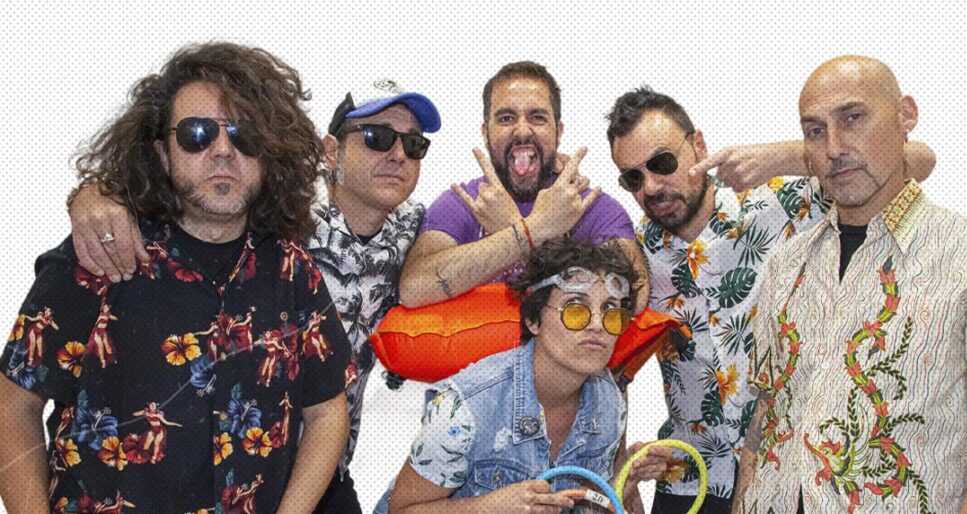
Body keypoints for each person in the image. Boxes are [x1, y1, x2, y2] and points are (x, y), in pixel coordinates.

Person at [0, 42, 352, 513]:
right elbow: (14, 404)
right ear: (163, 153)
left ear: (269, 154)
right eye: (196, 134)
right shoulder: (99, 258)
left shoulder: (294, 273)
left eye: (245, 135)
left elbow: (327, 412)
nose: (223, 150)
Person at [64, 77, 441, 513]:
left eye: (414, 144)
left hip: (324, 467)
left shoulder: (412, 229)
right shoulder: (282, 214)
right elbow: (188, 199)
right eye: (377, 137)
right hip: (239, 467)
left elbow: (463, 230)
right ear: (332, 150)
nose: (398, 155)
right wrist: (92, 195)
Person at [605, 86, 936, 513]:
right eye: (633, 178)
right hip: (689, 480)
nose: (651, 186)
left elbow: (917, 161)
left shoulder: (783, 205)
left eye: (662, 163)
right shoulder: (637, 253)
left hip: (785, 476)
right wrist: (621, 470)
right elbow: (612, 366)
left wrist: (786, 155)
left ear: (699, 145)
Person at [734, 56, 967, 513]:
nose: (834, 148)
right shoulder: (786, 265)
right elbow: (767, 416)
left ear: (905, 115)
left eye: (853, 118)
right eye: (815, 131)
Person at [377, 238, 670, 514]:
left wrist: (626, 478)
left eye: (611, 312)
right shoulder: (464, 410)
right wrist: (490, 507)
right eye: (576, 309)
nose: (597, 325)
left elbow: (584, 500)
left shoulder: (608, 402)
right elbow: (401, 510)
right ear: (533, 320)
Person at [399, 61, 649, 311]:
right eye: (506, 118)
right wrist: (529, 232)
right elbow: (413, 289)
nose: (522, 131)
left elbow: (635, 296)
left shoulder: (592, 206)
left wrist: (518, 232)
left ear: (558, 132)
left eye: (537, 117)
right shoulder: (462, 202)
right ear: (486, 133)